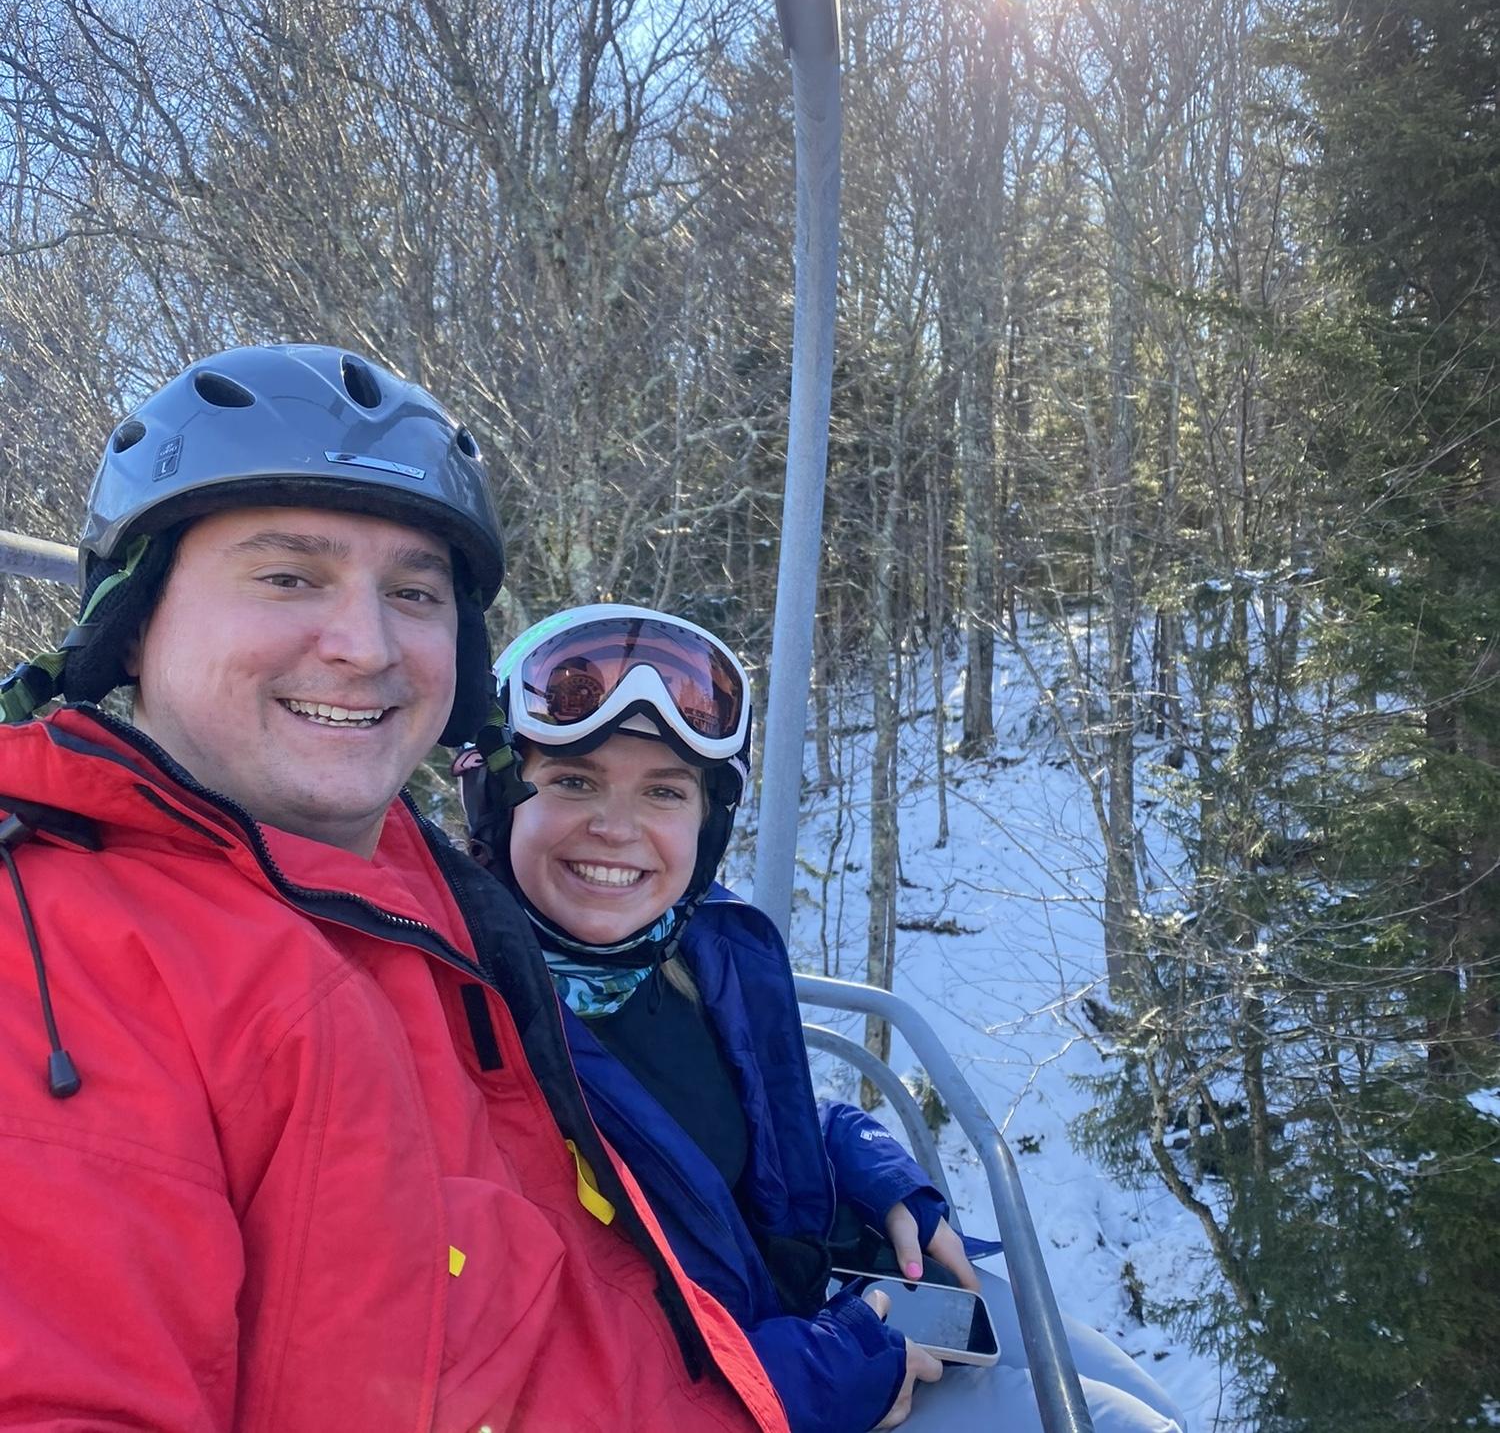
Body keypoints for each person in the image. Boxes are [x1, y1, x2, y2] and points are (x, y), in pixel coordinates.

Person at [0, 348, 787, 1433]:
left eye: (413, 592)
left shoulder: (423, 906)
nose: (366, 646)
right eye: (288, 576)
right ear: (133, 624)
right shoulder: (53, 963)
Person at [461, 604, 1189, 1433]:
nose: (618, 828)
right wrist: (812, 1376)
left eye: (664, 791)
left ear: (709, 824)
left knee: (1121, 1385)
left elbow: (753, 1122)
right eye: (573, 780)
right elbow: (520, 1376)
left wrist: (876, 1171)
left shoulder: (695, 957)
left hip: (817, 1314)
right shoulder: (474, 1030)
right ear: (497, 796)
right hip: (754, 1393)